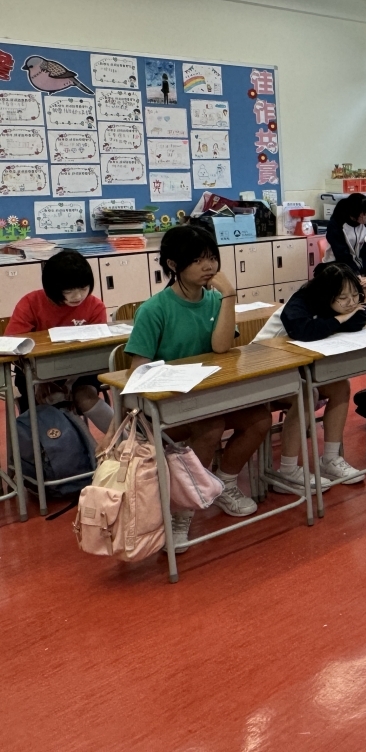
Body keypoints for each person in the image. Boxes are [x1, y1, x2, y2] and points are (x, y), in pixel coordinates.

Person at [124, 225, 274, 548]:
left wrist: (229, 296)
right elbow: (138, 372)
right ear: (173, 265)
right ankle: (183, 511)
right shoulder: (154, 310)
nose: (209, 267)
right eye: (197, 260)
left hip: (211, 398)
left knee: (260, 418)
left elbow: (221, 348)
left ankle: (224, 483)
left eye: (212, 258)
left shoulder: (216, 300)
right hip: (166, 408)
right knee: (210, 427)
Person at [253, 264, 366, 492]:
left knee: (340, 386)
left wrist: (365, 301)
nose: (351, 302)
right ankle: (287, 471)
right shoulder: (301, 301)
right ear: (326, 294)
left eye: (355, 295)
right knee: (307, 393)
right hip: (264, 367)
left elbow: (357, 322)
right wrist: (344, 316)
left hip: (295, 367)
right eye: (343, 298)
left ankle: (330, 459)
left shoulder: (341, 305)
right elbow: (305, 331)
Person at [5, 249, 113, 431]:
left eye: (83, 288)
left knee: (86, 397)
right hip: (34, 370)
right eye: (68, 291)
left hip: (82, 368)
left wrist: (70, 381)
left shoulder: (94, 306)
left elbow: (96, 349)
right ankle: (47, 447)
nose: (77, 296)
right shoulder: (31, 303)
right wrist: (41, 380)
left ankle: (126, 441)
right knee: (41, 406)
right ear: (52, 287)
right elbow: (12, 346)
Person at [323, 193, 366, 320]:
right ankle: (357, 321)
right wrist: (357, 275)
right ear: (354, 214)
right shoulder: (336, 225)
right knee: (362, 287)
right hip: (338, 267)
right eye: (365, 214)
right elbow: (342, 255)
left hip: (359, 266)